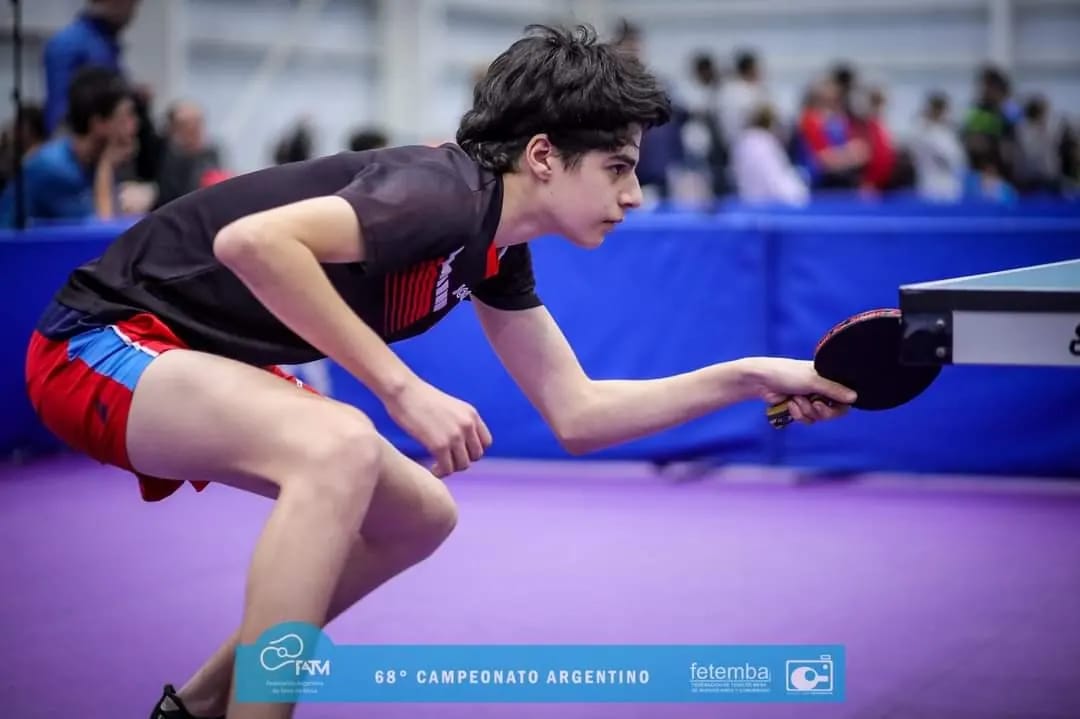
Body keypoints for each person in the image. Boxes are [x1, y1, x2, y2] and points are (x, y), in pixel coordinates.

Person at [23, 25, 854, 719]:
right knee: (340, 444)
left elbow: (579, 412)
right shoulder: (439, 191)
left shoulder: (497, 245)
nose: (634, 193)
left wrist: (750, 375)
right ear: (542, 155)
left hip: (192, 357)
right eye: (617, 167)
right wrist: (402, 389)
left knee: (419, 515)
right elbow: (255, 244)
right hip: (98, 342)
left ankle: (203, 703)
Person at [0, 66, 137, 227]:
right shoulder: (50, 169)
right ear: (99, 124)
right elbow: (104, 234)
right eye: (126, 116)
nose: (134, 125)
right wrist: (106, 168)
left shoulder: (95, 163)